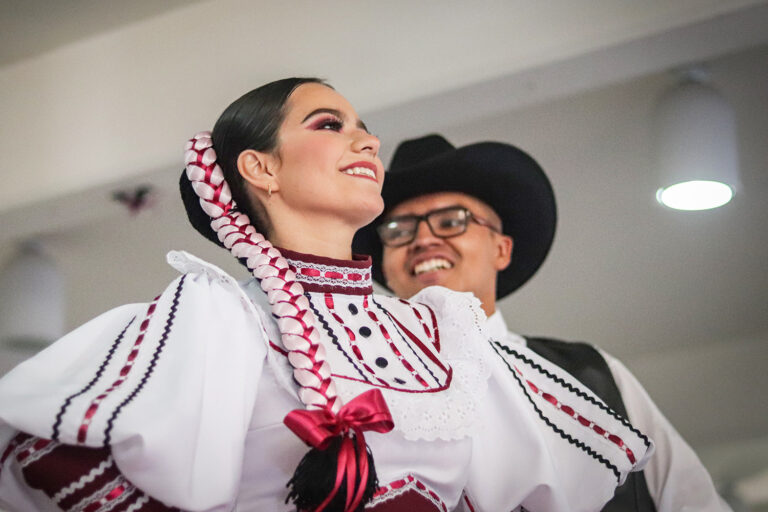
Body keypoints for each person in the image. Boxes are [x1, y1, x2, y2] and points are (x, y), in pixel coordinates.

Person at [0, 80, 652, 512]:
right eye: (329, 123)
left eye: (364, 128)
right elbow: (42, 451)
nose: (367, 140)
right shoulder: (215, 316)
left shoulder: (437, 333)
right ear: (261, 168)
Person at [353, 134, 730, 512]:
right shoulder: (358, 390)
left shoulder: (593, 375)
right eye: (399, 230)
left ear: (501, 249)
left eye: (452, 220)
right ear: (384, 263)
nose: (422, 239)